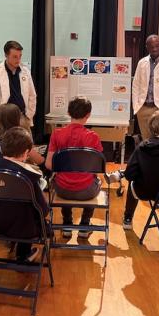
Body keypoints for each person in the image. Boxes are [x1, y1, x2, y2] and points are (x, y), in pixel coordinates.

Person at [0, 127, 49, 263]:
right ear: (26, 153)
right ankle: (23, 255)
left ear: (1, 149)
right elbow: (42, 210)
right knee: (31, 215)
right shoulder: (28, 177)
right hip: (23, 230)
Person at [46, 97, 103, 238]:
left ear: (68, 112)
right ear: (88, 115)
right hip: (86, 191)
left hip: (62, 189)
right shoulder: (93, 137)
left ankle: (66, 224)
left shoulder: (57, 134)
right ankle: (84, 225)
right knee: (96, 181)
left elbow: (48, 164)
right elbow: (98, 168)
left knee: (64, 178)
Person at [132, 34, 159, 139]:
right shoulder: (142, 62)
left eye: (157, 45)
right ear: (147, 47)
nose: (155, 49)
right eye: (151, 46)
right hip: (143, 108)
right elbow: (136, 85)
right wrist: (136, 106)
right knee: (147, 140)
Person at [0, 40, 37, 128]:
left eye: (20, 56)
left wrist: (29, 115)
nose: (18, 60)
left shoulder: (25, 71)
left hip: (22, 117)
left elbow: (32, 95)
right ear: (6, 55)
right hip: (3, 120)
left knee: (24, 141)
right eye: (15, 57)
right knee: (4, 141)